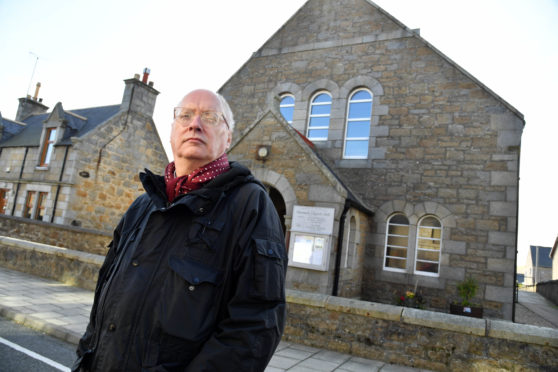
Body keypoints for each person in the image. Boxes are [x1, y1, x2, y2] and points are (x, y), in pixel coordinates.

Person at [72, 89, 288, 372]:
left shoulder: (251, 205)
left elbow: (256, 325)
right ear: (173, 132)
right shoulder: (142, 205)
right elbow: (105, 293)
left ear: (228, 138)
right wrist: (85, 356)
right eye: (185, 115)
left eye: (210, 117)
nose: (194, 124)